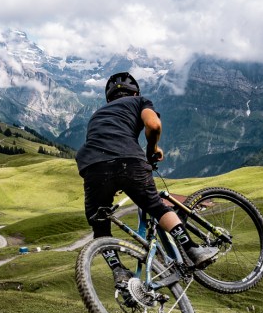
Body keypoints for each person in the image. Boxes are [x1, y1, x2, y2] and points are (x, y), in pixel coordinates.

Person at [76, 72, 220, 285]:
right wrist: (152, 149)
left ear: (108, 99)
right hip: (128, 160)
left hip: (91, 167)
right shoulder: (140, 101)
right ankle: (192, 250)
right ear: (135, 92)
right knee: (156, 205)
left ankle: (119, 272)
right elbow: (153, 126)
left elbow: (103, 144)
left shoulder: (96, 115)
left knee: (100, 224)